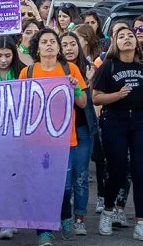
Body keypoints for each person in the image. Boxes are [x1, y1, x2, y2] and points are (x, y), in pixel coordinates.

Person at [18, 27, 87, 245]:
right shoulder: (27, 73)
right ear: (37, 48)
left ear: (58, 47)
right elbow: (20, 106)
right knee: (41, 186)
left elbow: (83, 103)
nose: (49, 45)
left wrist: (75, 89)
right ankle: (44, 231)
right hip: (36, 141)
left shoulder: (71, 69)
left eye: (53, 41)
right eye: (44, 42)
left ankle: (65, 213)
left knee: (64, 187)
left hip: (65, 140)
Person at [92, 26, 143, 239]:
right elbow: (96, 97)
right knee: (118, 169)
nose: (127, 39)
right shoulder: (108, 66)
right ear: (116, 43)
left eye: (130, 36)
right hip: (115, 121)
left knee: (140, 170)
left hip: (139, 121)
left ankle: (140, 221)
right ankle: (108, 211)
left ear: (137, 42)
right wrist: (117, 95)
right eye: (121, 37)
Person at [60, 31, 98, 236]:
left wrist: (84, 83)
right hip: (58, 132)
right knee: (62, 178)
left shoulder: (89, 69)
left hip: (82, 128)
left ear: (80, 45)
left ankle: (80, 218)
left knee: (81, 176)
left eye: (72, 43)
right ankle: (62, 215)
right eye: (63, 44)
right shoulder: (54, 68)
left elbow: (86, 102)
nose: (68, 48)